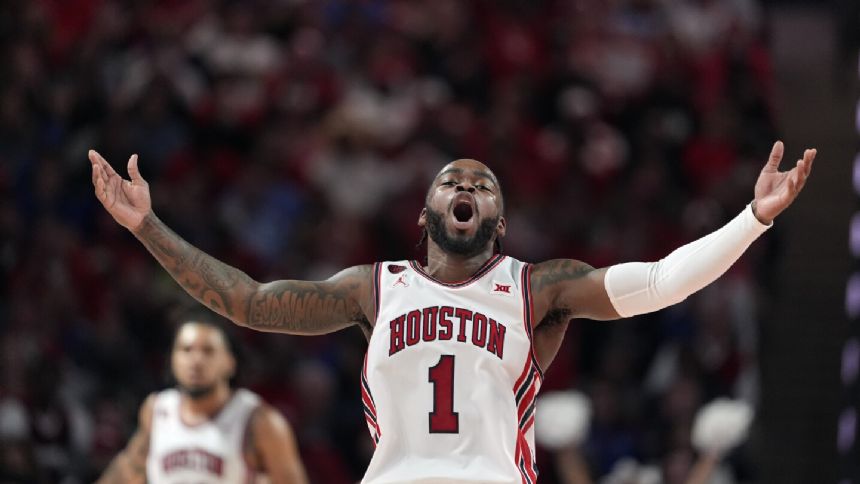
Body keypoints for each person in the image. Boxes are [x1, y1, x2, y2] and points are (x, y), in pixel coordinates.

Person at [88, 141, 815, 483]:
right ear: (426, 211)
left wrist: (752, 217)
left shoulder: (537, 289)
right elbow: (246, 302)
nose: (467, 183)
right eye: (451, 179)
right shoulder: (373, 288)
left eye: (484, 184)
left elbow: (660, 281)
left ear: (496, 221)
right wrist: (146, 226)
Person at [95, 308, 308, 484]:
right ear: (172, 360)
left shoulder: (258, 421)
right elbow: (126, 472)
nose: (195, 361)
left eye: (208, 351)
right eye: (186, 350)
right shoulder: (157, 410)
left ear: (230, 362)